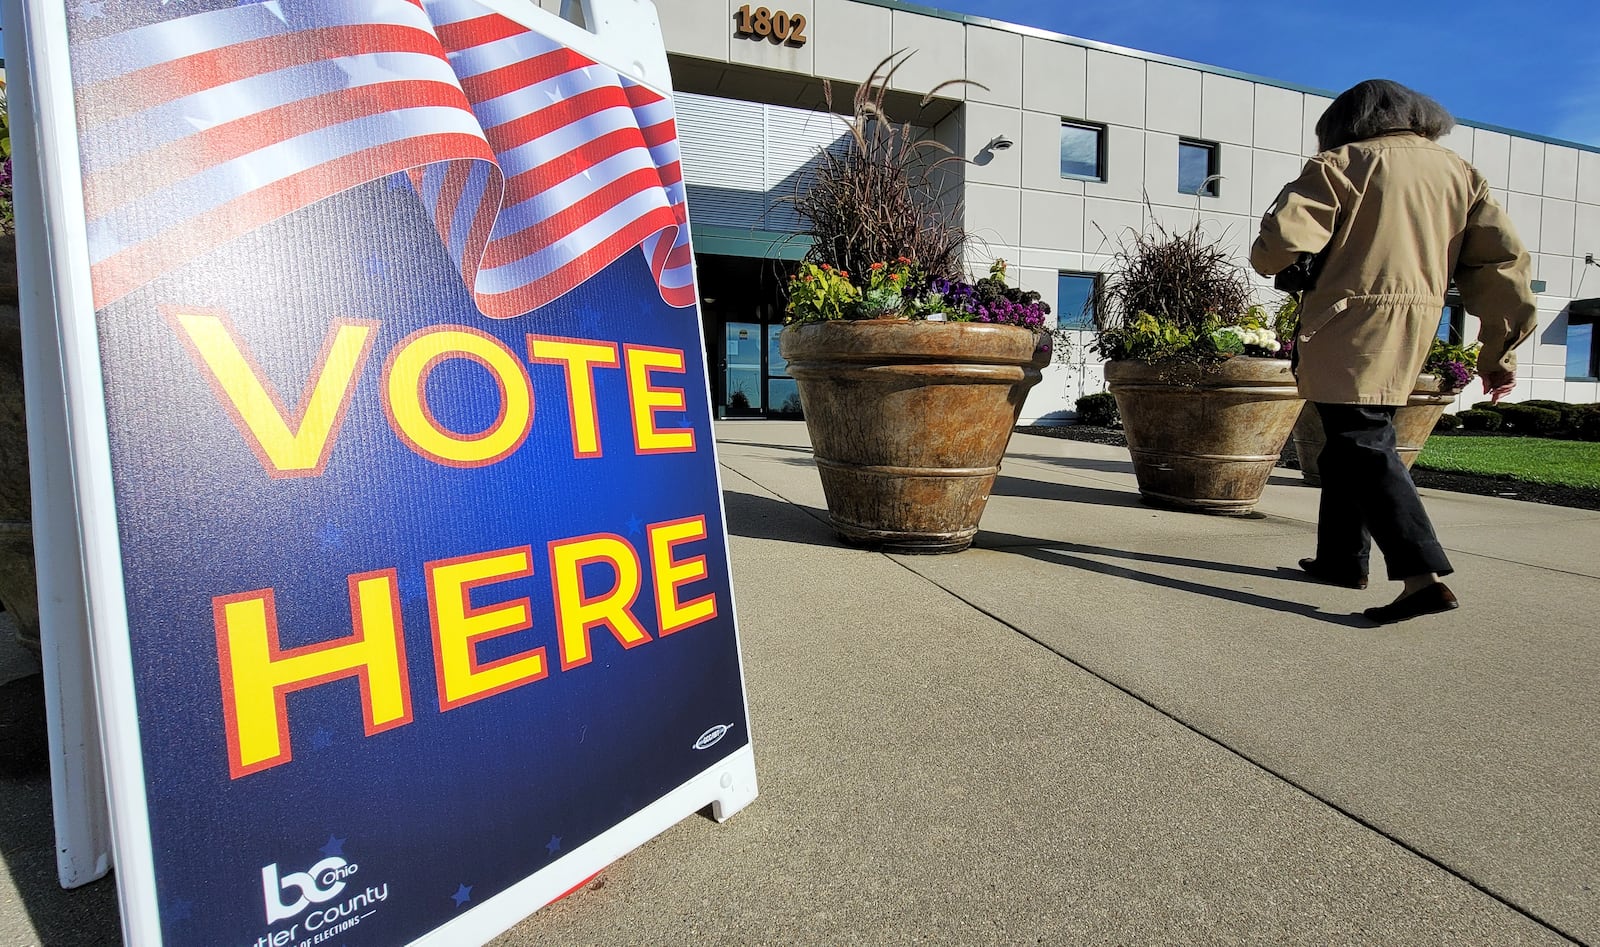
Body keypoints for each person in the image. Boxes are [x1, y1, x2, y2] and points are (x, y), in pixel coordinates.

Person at [1250, 79, 1536, 625]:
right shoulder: (1460, 173)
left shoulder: (1342, 163)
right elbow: (1502, 267)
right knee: (1346, 443)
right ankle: (1341, 559)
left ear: (1345, 121)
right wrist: (1500, 348)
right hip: (1417, 319)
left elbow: (1279, 247)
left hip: (1348, 318)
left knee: (1361, 440)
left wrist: (1270, 251)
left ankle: (1421, 577)